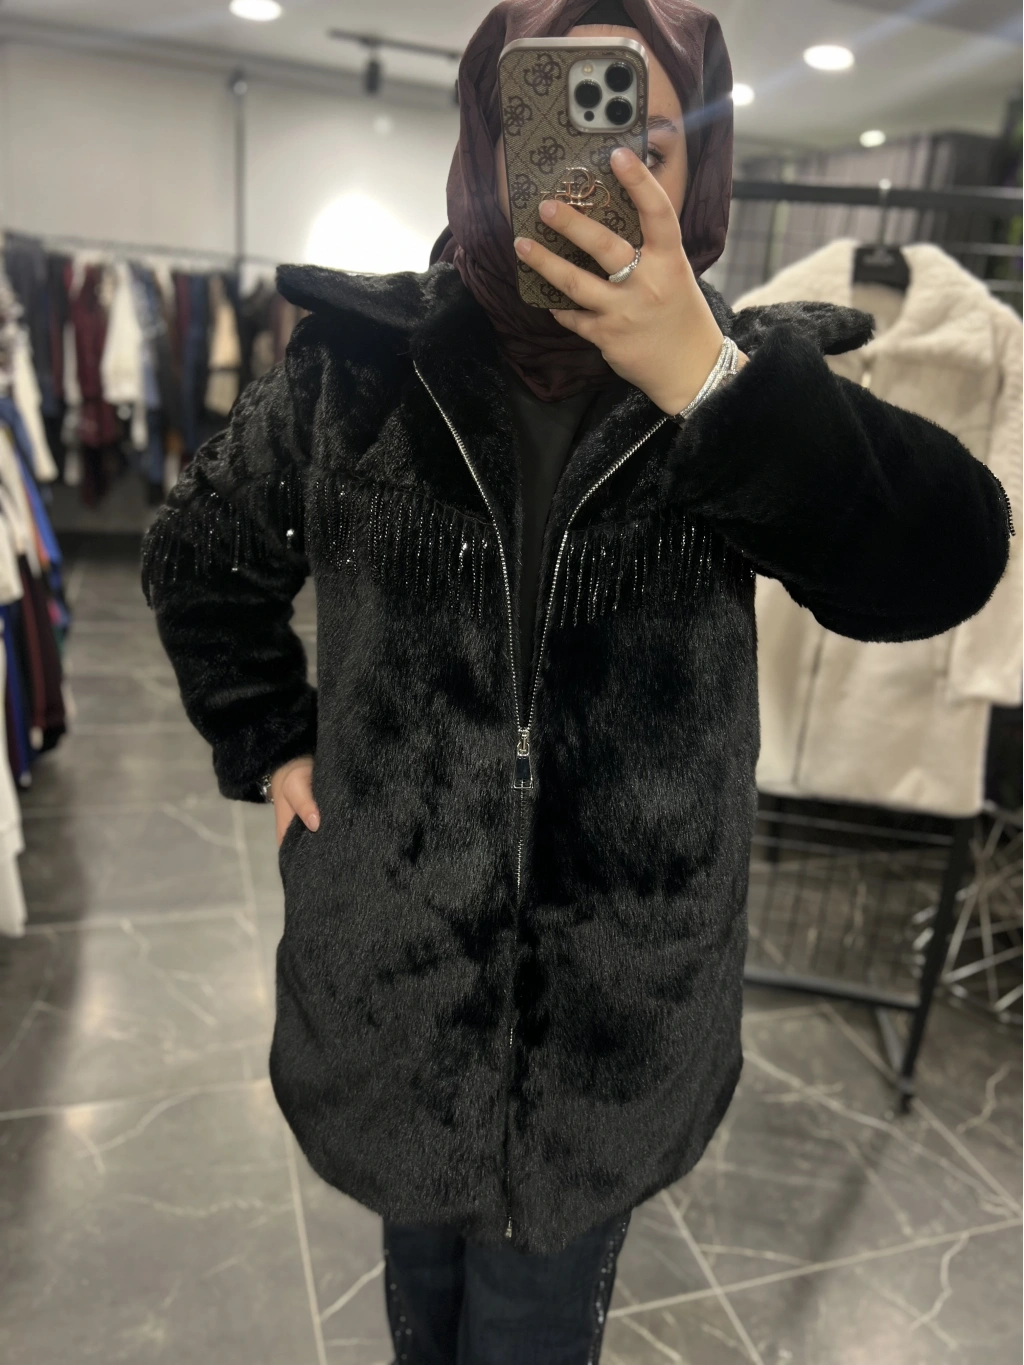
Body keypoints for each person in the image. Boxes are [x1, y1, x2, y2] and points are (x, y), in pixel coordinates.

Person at [140, 0, 1014, 1360]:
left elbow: (946, 564)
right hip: (394, 973)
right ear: (486, 148)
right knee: (423, 1295)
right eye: (541, 125)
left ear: (697, 170)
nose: (596, 171)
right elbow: (201, 557)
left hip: (618, 1012)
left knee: (536, 1323)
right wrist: (267, 732)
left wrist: (708, 382)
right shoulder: (361, 367)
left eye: (644, 140)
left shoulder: (750, 384)